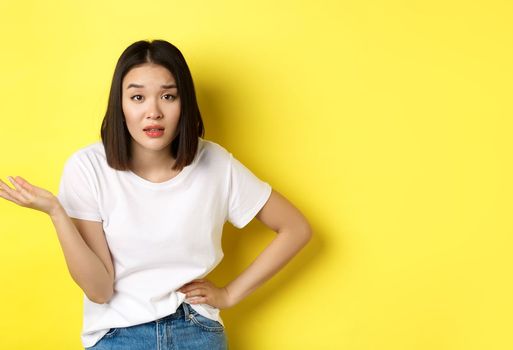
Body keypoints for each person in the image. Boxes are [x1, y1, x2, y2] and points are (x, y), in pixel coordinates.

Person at [0, 39, 313, 349]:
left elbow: (295, 228)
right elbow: (99, 291)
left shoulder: (215, 163)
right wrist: (57, 212)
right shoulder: (88, 167)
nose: (153, 112)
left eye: (168, 96)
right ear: (120, 105)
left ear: (184, 104)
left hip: (196, 330)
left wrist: (229, 294)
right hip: (117, 334)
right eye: (137, 97)